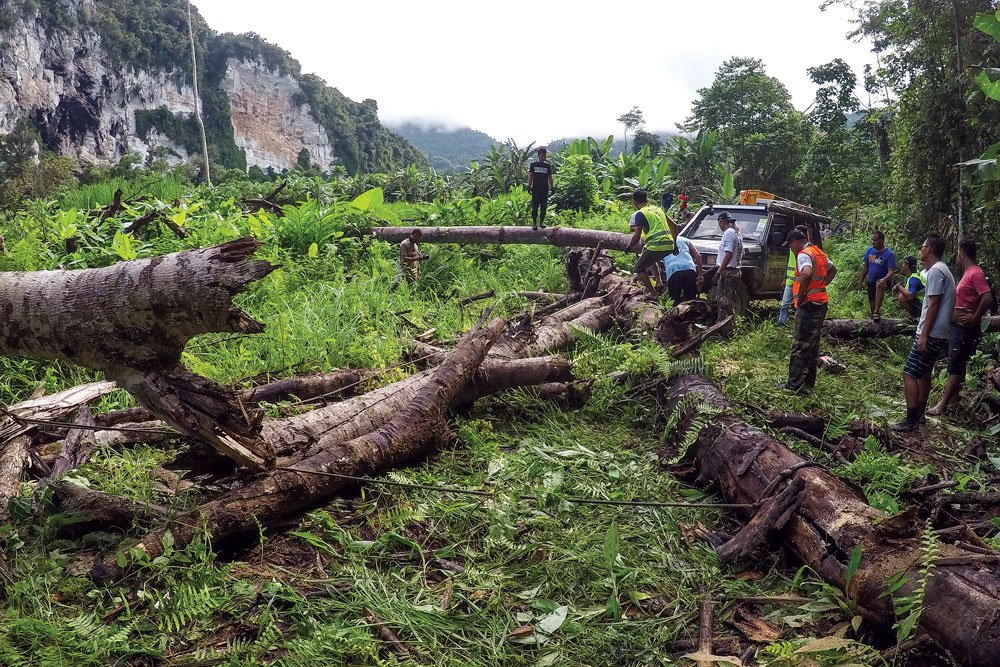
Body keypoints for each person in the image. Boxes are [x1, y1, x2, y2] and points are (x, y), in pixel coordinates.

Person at [892, 236, 955, 432]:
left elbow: (934, 304)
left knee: (909, 373)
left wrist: (924, 334)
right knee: (924, 372)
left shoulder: (936, 271)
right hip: (939, 331)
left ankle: (910, 420)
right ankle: (919, 415)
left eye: (922, 247)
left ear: (929, 249)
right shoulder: (941, 270)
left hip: (932, 332)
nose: (920, 250)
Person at [927, 239, 995, 416]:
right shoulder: (969, 273)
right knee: (957, 362)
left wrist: (974, 317)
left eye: (958, 252)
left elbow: (987, 297)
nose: (956, 256)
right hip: (958, 326)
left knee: (955, 365)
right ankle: (954, 398)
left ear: (962, 254)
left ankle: (942, 404)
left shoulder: (975, 273)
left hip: (964, 328)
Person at [782, 229, 837, 393]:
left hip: (809, 304)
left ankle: (794, 385)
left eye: (790, 245)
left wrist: (803, 293)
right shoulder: (817, 252)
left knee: (800, 345)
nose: (791, 248)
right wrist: (820, 286)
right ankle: (807, 384)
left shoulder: (804, 254)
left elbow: (806, 272)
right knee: (812, 345)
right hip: (820, 302)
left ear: (795, 241)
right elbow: (833, 270)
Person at [625, 189, 677, 297]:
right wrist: (675, 244)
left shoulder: (640, 214)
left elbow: (636, 236)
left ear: (634, 202)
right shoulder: (658, 210)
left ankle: (653, 293)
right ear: (647, 199)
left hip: (656, 245)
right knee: (646, 253)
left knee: (638, 268)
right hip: (669, 245)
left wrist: (629, 247)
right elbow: (674, 225)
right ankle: (659, 282)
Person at [714, 212, 744, 328]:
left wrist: (718, 273)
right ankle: (727, 327)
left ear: (721, 221)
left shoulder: (728, 233)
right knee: (728, 301)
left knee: (724, 302)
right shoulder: (737, 233)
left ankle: (725, 329)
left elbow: (728, 255)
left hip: (729, 271)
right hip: (735, 270)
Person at [778, 224, 810, 326]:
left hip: (800, 281)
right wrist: (784, 279)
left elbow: (807, 272)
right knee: (784, 304)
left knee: (800, 304)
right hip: (790, 281)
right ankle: (782, 322)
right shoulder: (793, 248)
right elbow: (789, 264)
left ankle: (798, 324)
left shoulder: (806, 251)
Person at [862, 230, 896, 321]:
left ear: (881, 241)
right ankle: (873, 314)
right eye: (872, 240)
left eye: (875, 240)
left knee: (879, 284)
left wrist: (884, 279)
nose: (873, 242)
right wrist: (861, 280)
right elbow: (865, 267)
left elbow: (891, 272)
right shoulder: (870, 250)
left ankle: (877, 311)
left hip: (883, 281)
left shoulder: (889, 254)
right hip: (871, 280)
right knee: (871, 301)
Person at [662, 234, 703, 303]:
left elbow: (654, 261)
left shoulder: (661, 243)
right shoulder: (684, 240)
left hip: (673, 270)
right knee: (691, 299)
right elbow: (698, 256)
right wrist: (700, 274)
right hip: (689, 268)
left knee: (674, 300)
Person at [527, 147, 554, 230]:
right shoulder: (533, 165)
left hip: (544, 189)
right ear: (538, 155)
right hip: (535, 189)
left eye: (545, 156)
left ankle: (541, 222)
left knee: (543, 207)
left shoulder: (547, 166)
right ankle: (534, 223)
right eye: (542, 155)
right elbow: (531, 175)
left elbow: (550, 177)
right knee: (535, 206)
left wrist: (552, 186)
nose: (543, 157)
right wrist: (529, 185)